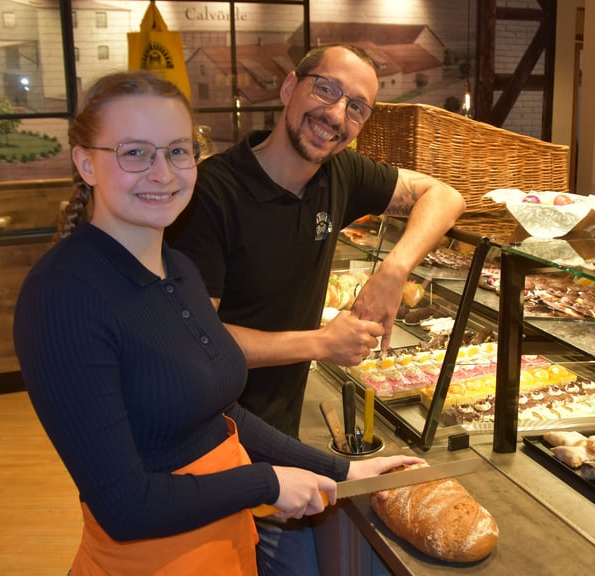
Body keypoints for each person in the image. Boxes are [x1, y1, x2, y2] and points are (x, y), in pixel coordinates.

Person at [12, 70, 422, 575]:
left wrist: (343, 468)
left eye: (178, 151)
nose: (162, 173)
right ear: (85, 163)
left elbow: (223, 415)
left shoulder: (177, 269)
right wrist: (267, 483)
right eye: (134, 152)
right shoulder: (62, 296)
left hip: (223, 551)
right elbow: (124, 506)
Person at [166, 44, 465, 574]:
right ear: (289, 88)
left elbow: (445, 195)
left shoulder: (339, 174)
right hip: (206, 445)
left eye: (357, 107)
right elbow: (195, 346)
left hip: (279, 437)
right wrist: (322, 344)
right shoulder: (213, 194)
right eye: (326, 89)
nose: (336, 114)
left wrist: (392, 272)